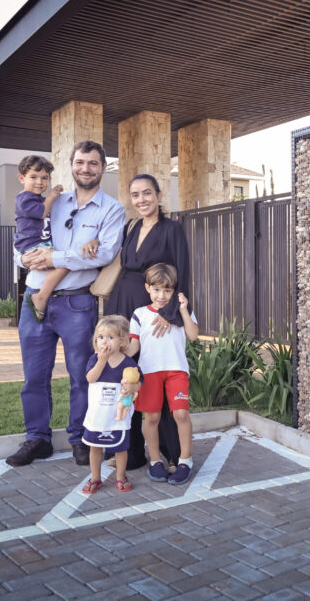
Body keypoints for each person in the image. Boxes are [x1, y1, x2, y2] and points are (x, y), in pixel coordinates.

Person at [6, 141, 125, 468]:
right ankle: (37, 439)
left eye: (93, 163)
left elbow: (103, 254)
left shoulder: (112, 210)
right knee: (34, 377)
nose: (86, 169)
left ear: (103, 168)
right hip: (34, 300)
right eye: (80, 162)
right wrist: (24, 258)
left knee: (81, 376)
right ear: (71, 165)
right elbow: (23, 237)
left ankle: (80, 439)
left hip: (77, 303)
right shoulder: (52, 201)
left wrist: (54, 257)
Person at [104, 173, 191, 470]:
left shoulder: (172, 229)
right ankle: (131, 452)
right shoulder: (131, 227)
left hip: (154, 310)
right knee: (126, 375)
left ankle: (172, 453)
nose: (141, 200)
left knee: (154, 376)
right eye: (135, 194)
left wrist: (169, 314)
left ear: (158, 195)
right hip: (123, 305)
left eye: (147, 193)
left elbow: (183, 273)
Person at [126, 263, 199, 485]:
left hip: (176, 370)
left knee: (181, 414)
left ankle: (185, 460)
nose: (162, 295)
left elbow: (193, 335)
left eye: (167, 290)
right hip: (149, 372)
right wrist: (114, 357)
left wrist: (184, 309)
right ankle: (155, 460)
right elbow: (134, 346)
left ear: (174, 291)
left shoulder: (180, 311)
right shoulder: (139, 314)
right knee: (152, 418)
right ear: (147, 288)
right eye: (156, 289)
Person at [13, 155, 96, 322]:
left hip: (38, 244)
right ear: (21, 178)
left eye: (44, 178)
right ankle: (41, 297)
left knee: (65, 261)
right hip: (32, 245)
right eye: (33, 177)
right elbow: (42, 213)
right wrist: (51, 197)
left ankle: (42, 296)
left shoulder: (37, 198)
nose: (39, 182)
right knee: (66, 261)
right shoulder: (24, 198)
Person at [81, 315, 142, 494]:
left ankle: (121, 476)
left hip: (118, 416)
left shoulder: (128, 363)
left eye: (110, 337)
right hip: (98, 415)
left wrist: (133, 387)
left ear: (122, 341)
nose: (104, 342)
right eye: (100, 337)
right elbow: (90, 378)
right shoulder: (95, 359)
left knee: (120, 448)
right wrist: (102, 360)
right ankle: (95, 477)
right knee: (95, 447)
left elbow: (139, 382)